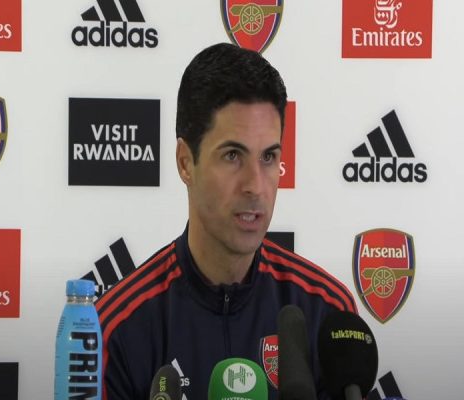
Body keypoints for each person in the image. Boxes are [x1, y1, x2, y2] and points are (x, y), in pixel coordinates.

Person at [95, 42, 357, 400]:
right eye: (233, 155)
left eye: (269, 157)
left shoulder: (327, 311)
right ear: (185, 163)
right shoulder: (117, 331)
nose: (255, 186)